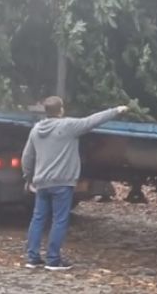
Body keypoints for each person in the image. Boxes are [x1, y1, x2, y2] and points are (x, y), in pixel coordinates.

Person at [21, 96, 128, 270]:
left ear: (46, 111)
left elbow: (27, 157)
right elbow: (92, 121)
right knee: (59, 220)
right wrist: (116, 110)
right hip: (62, 182)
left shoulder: (36, 130)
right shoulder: (68, 126)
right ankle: (53, 260)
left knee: (38, 218)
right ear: (61, 110)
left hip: (41, 182)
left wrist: (28, 178)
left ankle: (32, 258)